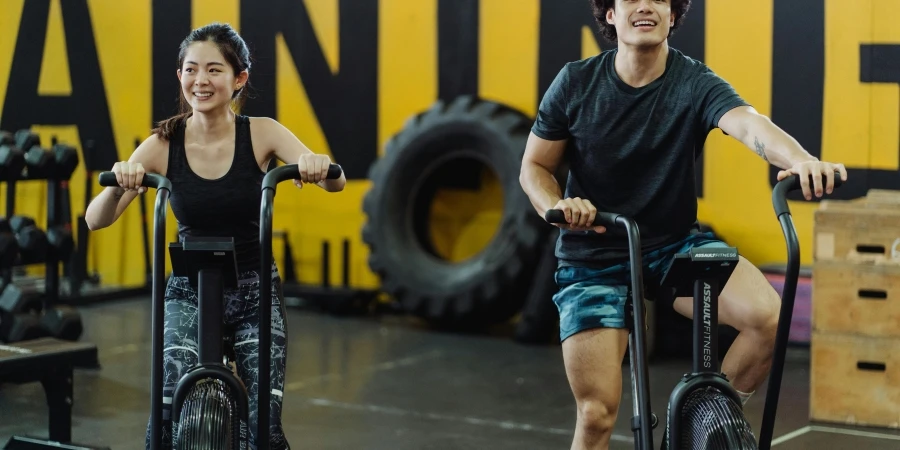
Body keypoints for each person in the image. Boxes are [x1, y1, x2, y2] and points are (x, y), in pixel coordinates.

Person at [518, 0, 847, 449]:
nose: (646, 5)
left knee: (767, 319)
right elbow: (534, 166)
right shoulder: (576, 82)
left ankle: (699, 421)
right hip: (593, 253)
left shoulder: (694, 82)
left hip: (672, 245)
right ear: (611, 15)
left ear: (672, 16)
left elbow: (750, 126)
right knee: (596, 415)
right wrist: (557, 206)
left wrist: (802, 161)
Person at [85, 22, 345, 450]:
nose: (200, 81)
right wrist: (118, 181)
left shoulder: (262, 132)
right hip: (188, 291)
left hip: (253, 291)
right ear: (180, 77)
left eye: (213, 70)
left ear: (239, 78)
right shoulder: (161, 144)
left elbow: (336, 182)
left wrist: (317, 164)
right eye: (190, 70)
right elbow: (96, 220)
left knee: (264, 423)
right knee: (168, 412)